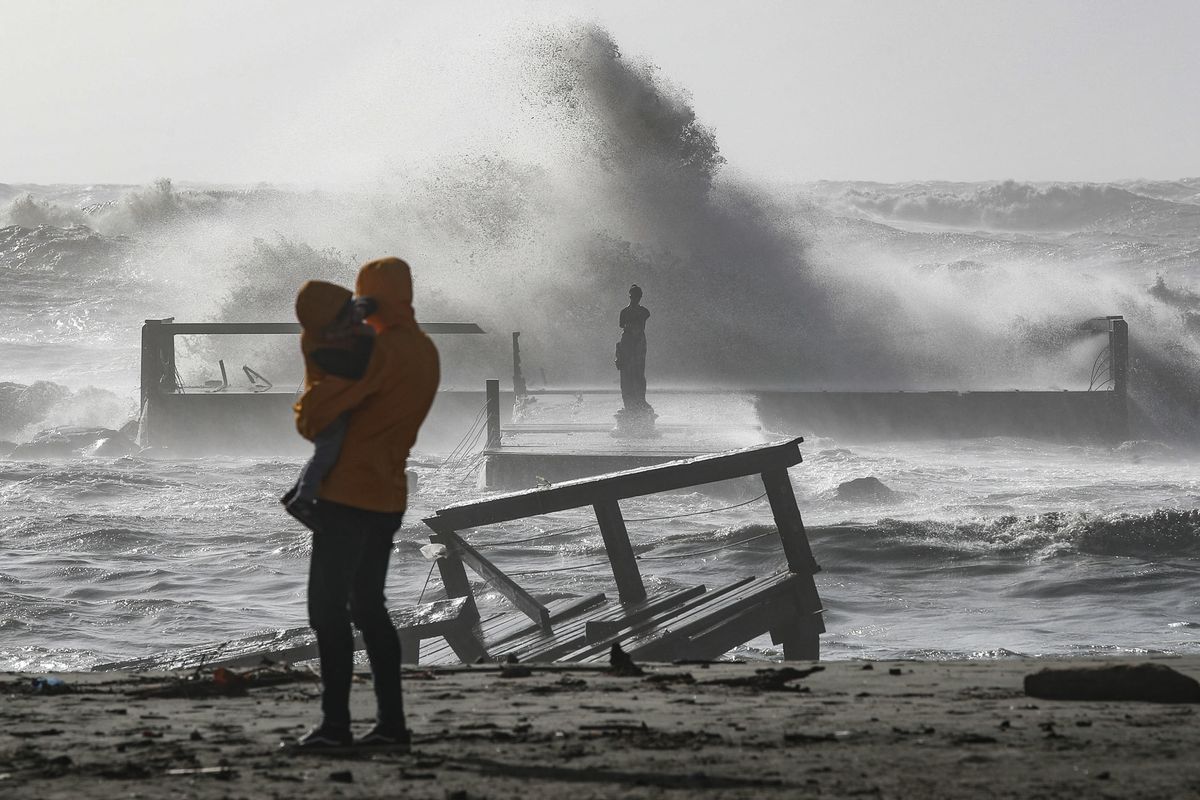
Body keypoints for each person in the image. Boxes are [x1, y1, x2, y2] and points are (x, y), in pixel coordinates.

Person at [288, 257, 440, 752]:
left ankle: (335, 726)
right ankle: (392, 726)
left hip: (347, 497)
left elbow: (313, 421)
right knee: (370, 609)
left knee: (327, 612)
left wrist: (314, 362)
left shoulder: (376, 354)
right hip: (388, 495)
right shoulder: (423, 349)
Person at [281, 283, 376, 532]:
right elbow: (355, 365)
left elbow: (365, 308)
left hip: (337, 406)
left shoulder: (339, 330)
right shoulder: (320, 344)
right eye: (345, 312)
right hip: (326, 410)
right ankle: (302, 501)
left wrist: (364, 307)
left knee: (332, 454)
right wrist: (366, 337)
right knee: (328, 453)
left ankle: (298, 494)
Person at [615, 284, 651, 412]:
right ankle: (629, 402)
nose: (635, 298)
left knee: (638, 373)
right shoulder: (624, 312)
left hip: (639, 343)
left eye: (637, 296)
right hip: (627, 342)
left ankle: (640, 399)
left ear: (640, 297)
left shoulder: (644, 311)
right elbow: (622, 325)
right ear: (630, 296)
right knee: (626, 372)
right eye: (633, 296)